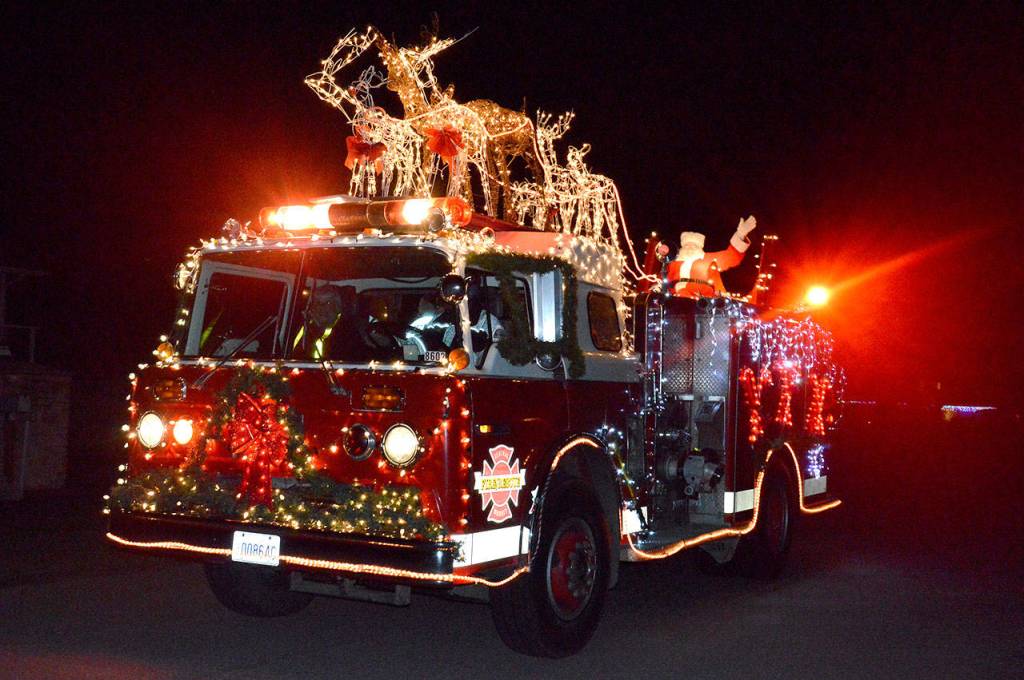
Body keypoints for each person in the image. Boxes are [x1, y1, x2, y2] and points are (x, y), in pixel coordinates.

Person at [665, 216, 757, 298]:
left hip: (703, 299)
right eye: (687, 246)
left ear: (699, 248)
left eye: (693, 246)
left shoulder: (707, 260)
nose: (689, 249)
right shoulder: (673, 263)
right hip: (675, 299)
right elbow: (664, 279)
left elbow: (731, 257)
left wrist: (740, 235)